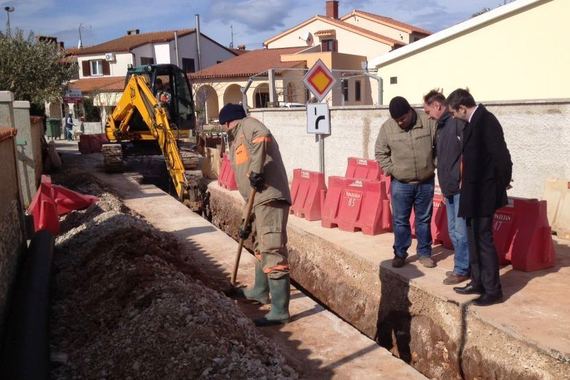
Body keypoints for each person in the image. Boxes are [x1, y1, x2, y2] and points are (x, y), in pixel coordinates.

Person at [219, 103, 292, 326]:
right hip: (257, 201)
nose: (223, 129)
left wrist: (257, 171)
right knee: (261, 246)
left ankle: (280, 311)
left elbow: (263, 134)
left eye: (223, 125)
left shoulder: (248, 125)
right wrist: (246, 219)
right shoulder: (236, 138)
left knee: (272, 249)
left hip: (270, 198)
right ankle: (260, 291)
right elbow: (249, 188)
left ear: (228, 121)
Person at [446, 89, 512, 306]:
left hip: (484, 193)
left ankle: (493, 290)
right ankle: (477, 282)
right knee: (473, 239)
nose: (454, 117)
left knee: (483, 240)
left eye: (454, 113)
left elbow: (502, 157)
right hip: (472, 193)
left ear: (462, 108)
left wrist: (500, 185)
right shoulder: (472, 123)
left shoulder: (487, 121)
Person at [375, 96, 437, 269]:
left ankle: (425, 253)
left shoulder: (428, 122)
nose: (400, 123)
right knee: (400, 221)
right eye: (396, 120)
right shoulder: (388, 128)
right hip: (400, 184)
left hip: (425, 182)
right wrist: (393, 170)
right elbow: (380, 153)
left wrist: (434, 165)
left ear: (410, 111)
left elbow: (439, 146)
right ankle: (400, 254)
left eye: (402, 118)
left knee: (423, 220)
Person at [423, 90, 470, 285]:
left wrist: (461, 181)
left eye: (428, 111)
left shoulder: (456, 124)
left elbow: (465, 155)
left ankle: (463, 269)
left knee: (460, 231)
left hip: (459, 189)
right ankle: (460, 266)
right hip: (449, 188)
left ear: (437, 106)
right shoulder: (442, 127)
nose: (427, 115)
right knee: (453, 231)